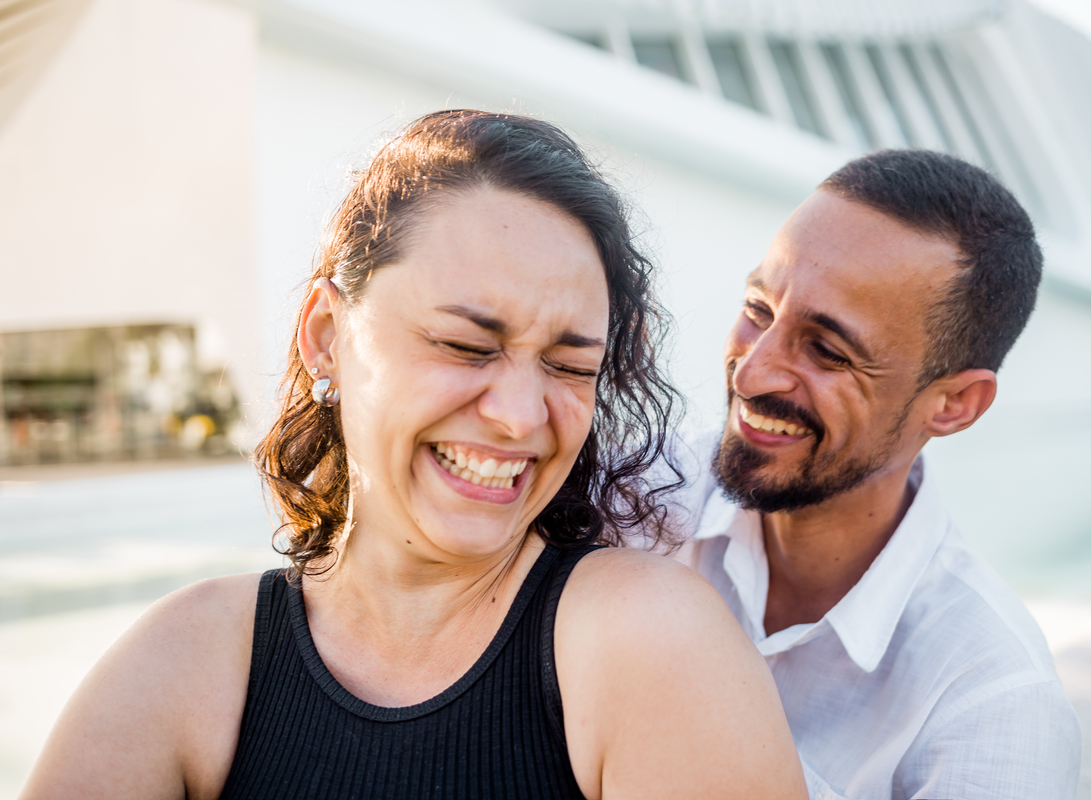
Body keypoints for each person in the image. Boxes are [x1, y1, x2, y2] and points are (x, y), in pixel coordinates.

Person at [20, 111, 806, 799]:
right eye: (466, 346)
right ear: (327, 336)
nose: (519, 416)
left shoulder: (650, 645)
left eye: (570, 367)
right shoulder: (187, 661)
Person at [656, 150, 1081, 799]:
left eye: (828, 351)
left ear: (953, 405)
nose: (751, 373)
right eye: (759, 310)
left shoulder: (993, 707)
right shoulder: (636, 490)